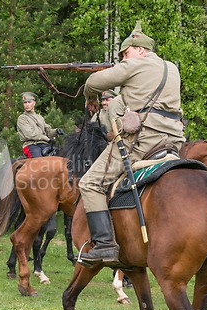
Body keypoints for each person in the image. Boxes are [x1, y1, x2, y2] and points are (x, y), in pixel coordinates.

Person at [78, 21, 185, 265]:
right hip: (173, 141)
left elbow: (93, 83)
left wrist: (91, 98)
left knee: (90, 183)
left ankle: (105, 244)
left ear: (138, 48)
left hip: (142, 142)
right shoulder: (172, 68)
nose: (123, 59)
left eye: (125, 54)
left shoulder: (135, 63)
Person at [16, 92, 64, 158]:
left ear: (34, 103)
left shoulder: (39, 117)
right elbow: (30, 134)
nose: (27, 105)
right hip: (31, 145)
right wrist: (47, 139)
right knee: (40, 162)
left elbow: (48, 131)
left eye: (29, 102)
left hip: (44, 144)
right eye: (25, 103)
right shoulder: (22, 118)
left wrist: (56, 131)